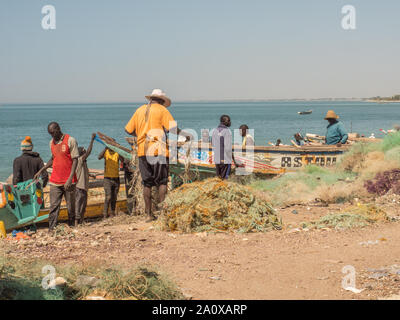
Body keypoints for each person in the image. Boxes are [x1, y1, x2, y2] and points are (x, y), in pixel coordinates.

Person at [125, 89, 191, 222]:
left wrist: (141, 137)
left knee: (147, 183)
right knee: (162, 181)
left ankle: (149, 214)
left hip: (143, 151)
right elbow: (172, 129)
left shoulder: (139, 110)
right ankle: (162, 213)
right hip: (158, 150)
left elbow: (128, 130)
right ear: (161, 101)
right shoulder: (162, 110)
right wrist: (186, 135)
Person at [34, 122, 79, 232]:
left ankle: (72, 226)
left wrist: (70, 178)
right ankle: (51, 228)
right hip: (55, 180)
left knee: (70, 206)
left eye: (53, 133)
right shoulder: (51, 143)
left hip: (69, 181)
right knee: (54, 206)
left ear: (58, 129)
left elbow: (75, 160)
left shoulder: (70, 140)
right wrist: (41, 170)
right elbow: (53, 158)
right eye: (50, 134)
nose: (52, 136)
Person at [75, 133, 96, 225]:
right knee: (78, 205)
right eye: (84, 152)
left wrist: (90, 175)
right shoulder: (80, 160)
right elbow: (89, 152)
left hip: (84, 187)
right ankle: (76, 222)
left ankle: (81, 221)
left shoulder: (84, 163)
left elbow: (84, 172)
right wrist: (92, 140)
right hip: (79, 187)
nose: (85, 153)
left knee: (83, 205)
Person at [211, 115, 240, 180]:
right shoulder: (227, 131)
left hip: (217, 159)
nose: (230, 122)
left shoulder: (214, 131)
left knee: (218, 178)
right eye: (228, 120)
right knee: (225, 179)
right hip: (225, 160)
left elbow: (212, 144)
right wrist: (234, 161)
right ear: (223, 121)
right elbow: (228, 149)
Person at [98, 147, 124, 219]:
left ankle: (112, 213)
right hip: (107, 178)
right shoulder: (106, 152)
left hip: (116, 178)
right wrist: (105, 148)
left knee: (114, 197)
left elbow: (123, 160)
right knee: (108, 197)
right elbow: (99, 157)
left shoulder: (116, 153)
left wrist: (118, 149)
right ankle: (105, 214)